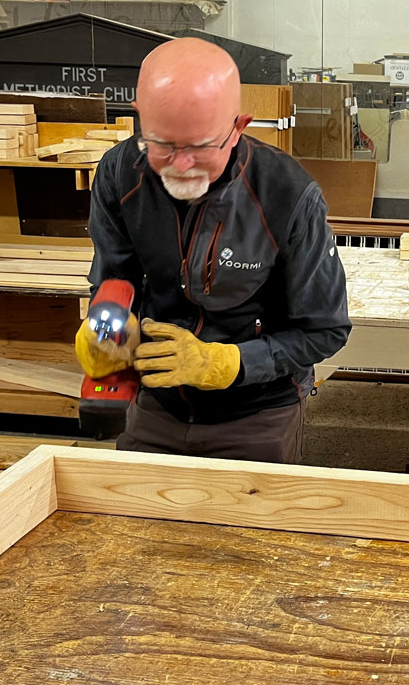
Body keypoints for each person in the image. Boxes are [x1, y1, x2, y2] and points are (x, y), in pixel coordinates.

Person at [76, 38, 351, 464]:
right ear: (140, 120)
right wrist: (105, 326)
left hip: (256, 416)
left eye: (201, 147)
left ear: (239, 126)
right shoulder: (118, 173)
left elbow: (325, 330)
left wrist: (225, 363)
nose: (180, 164)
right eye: (162, 144)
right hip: (154, 406)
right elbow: (115, 279)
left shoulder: (288, 195)